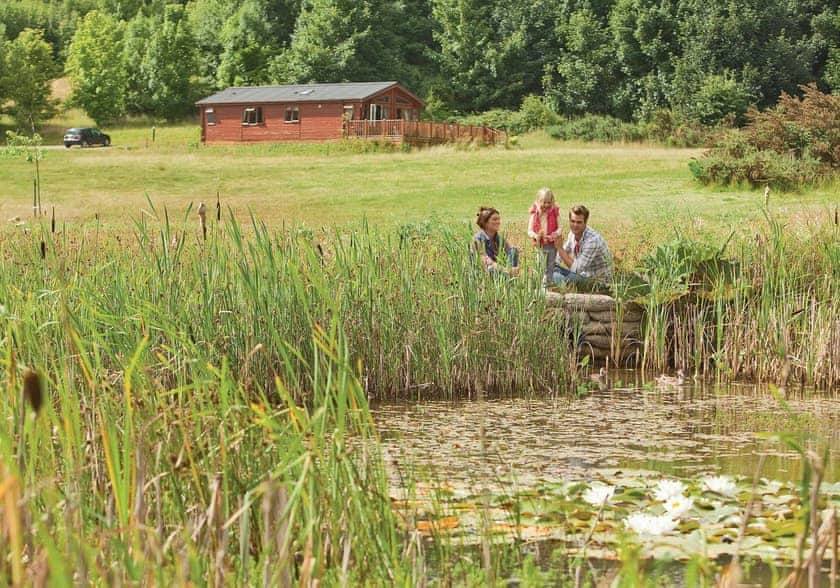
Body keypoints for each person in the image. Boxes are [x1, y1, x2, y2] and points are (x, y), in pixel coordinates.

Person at [554, 204, 612, 283]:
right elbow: (559, 256)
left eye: (579, 222)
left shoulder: (592, 240)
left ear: (585, 222)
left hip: (596, 281)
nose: (575, 225)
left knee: (556, 277)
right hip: (583, 275)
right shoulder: (572, 234)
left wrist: (560, 248)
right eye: (573, 221)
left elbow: (577, 269)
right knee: (551, 269)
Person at [527, 187, 562, 285]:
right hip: (540, 244)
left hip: (551, 244)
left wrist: (556, 234)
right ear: (538, 201)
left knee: (551, 265)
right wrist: (536, 235)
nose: (546, 205)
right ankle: (539, 284)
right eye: (544, 202)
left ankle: (549, 283)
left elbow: (560, 227)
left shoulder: (555, 212)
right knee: (540, 264)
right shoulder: (535, 215)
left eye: (549, 202)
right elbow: (529, 231)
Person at [474, 206, 520, 276]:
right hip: (485, 272)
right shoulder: (477, 239)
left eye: (499, 219)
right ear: (485, 222)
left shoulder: (499, 238)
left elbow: (509, 251)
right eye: (494, 219)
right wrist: (506, 269)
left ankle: (510, 278)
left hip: (500, 270)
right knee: (491, 268)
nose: (498, 222)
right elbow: (486, 262)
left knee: (513, 251)